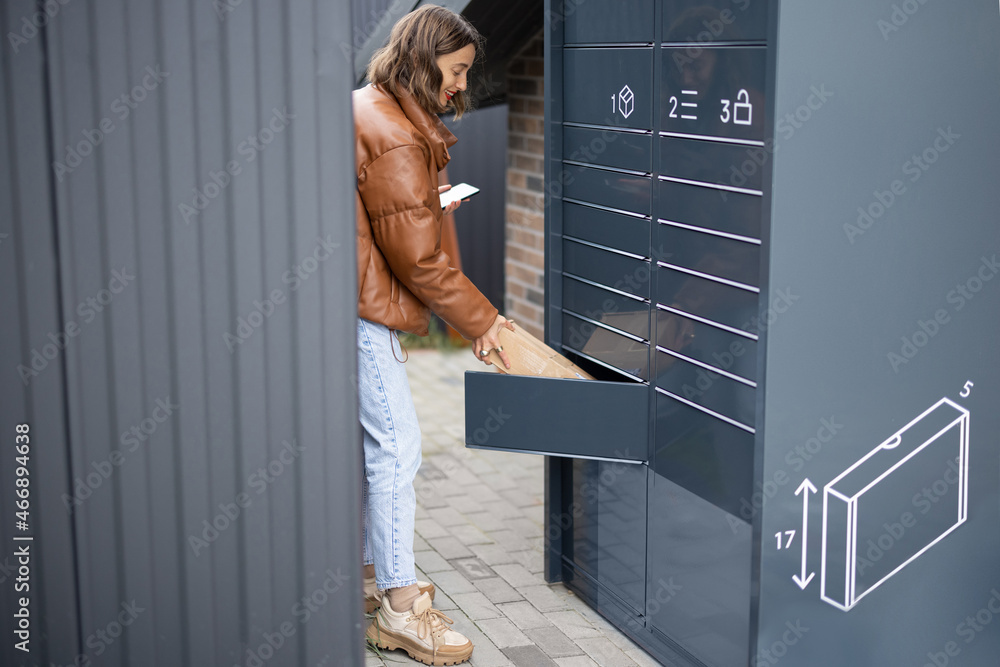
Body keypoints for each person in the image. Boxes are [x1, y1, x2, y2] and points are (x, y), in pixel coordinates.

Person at [353, 5, 513, 664]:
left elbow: (390, 212)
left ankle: (371, 574)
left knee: (377, 449)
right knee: (397, 448)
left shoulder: (374, 108)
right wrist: (487, 323)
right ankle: (398, 606)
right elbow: (418, 259)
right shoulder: (391, 131)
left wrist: (430, 204)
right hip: (366, 316)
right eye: (456, 71)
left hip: (356, 303)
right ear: (425, 60)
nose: (460, 87)